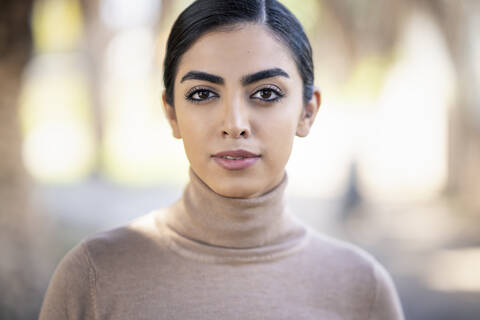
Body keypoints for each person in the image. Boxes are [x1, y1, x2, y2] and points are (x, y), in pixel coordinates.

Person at [39, 0, 405, 319]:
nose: (234, 125)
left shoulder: (362, 288)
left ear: (307, 112)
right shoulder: (93, 277)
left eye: (265, 92)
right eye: (202, 94)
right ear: (171, 114)